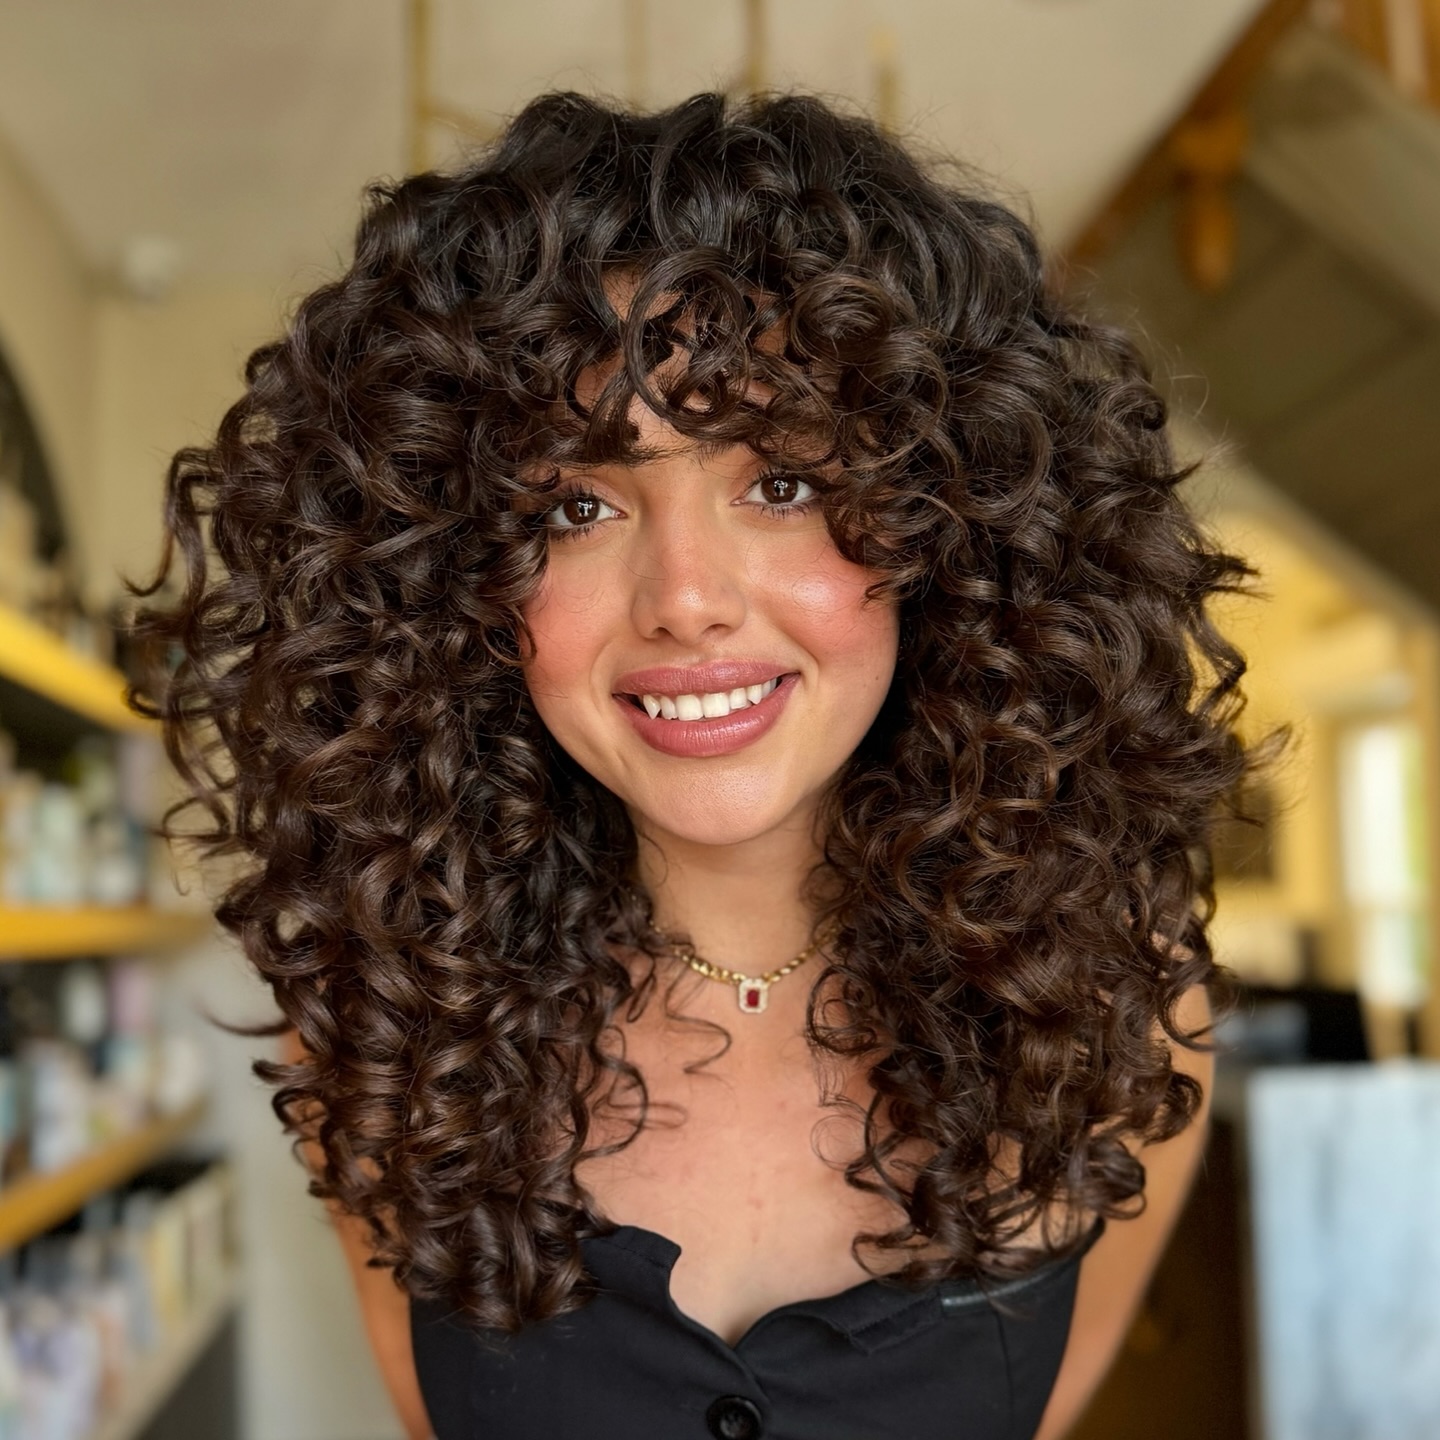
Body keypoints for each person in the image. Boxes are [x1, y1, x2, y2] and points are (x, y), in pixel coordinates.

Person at [128, 87, 1270, 1440]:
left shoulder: (1118, 1028)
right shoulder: (380, 1037)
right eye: (577, 505)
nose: (683, 598)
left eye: (779, 484)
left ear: (949, 526)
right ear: (448, 583)